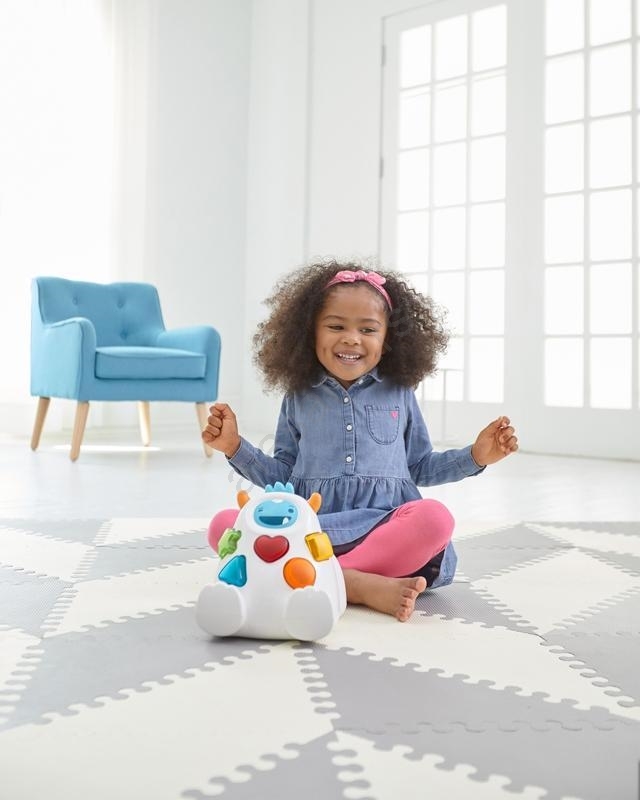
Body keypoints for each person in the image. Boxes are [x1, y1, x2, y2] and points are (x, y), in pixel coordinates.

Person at [202, 260, 518, 622]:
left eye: (368, 329)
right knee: (224, 524)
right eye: (336, 326)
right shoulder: (299, 395)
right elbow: (283, 477)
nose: (352, 338)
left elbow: (420, 467)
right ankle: (353, 582)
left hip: (383, 529)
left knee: (435, 519)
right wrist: (234, 446)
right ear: (309, 333)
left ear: (388, 340)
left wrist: (476, 456)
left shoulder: (399, 392)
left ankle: (324, 577)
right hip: (311, 531)